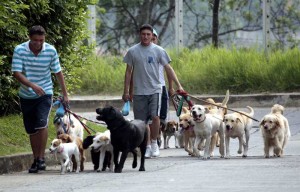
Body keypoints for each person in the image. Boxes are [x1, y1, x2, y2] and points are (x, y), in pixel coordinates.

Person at [11, 25, 69, 173]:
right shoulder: (20, 50)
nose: (38, 43)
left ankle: (42, 158)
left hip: (45, 93)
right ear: (29, 38)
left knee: (42, 123)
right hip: (26, 94)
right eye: (35, 40)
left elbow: (58, 72)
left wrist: (65, 94)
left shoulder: (50, 50)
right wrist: (31, 85)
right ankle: (36, 159)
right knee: (31, 129)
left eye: (41, 40)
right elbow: (16, 73)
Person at [122, 24, 183, 158]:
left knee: (155, 117)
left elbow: (168, 69)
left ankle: (155, 143)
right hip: (139, 91)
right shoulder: (132, 51)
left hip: (156, 89)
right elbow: (128, 73)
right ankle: (147, 145)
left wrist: (178, 85)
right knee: (142, 121)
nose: (145, 36)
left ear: (152, 36)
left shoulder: (159, 50)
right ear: (140, 35)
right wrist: (126, 91)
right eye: (143, 34)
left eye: (148, 34)